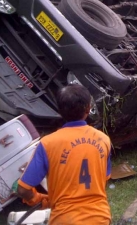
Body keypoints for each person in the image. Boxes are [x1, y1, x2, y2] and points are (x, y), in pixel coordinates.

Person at [17, 84, 112, 225]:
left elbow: (23, 190)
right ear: (88, 108)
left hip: (64, 219)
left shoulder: (48, 144)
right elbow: (103, 178)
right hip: (100, 218)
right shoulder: (103, 139)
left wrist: (39, 199)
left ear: (60, 111)